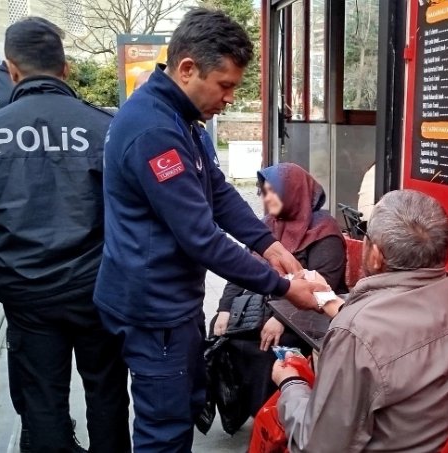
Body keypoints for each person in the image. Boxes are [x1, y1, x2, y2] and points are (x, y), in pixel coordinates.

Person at [96, 8, 326, 451]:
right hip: (152, 308)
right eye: (225, 86)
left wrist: (267, 243)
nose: (229, 98)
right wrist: (280, 286)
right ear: (187, 69)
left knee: (183, 404)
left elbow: (218, 192)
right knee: (164, 427)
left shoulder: (183, 119)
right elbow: (201, 238)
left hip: (172, 301)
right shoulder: (153, 130)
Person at [0, 17, 130, 453]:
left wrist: (4, 273)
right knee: (108, 392)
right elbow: (134, 214)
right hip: (98, 290)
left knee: (41, 400)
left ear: (11, 69)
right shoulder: (108, 129)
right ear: (65, 69)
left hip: (26, 295)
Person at [272, 190, 448, 452]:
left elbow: (318, 445)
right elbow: (398, 335)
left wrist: (290, 383)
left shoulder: (354, 335)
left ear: (375, 255)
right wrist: (330, 301)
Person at [212, 162, 347, 417]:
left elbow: (322, 284)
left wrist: (281, 319)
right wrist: (224, 308)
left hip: (309, 316)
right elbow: (241, 271)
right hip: (264, 305)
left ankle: (275, 414)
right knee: (221, 332)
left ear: (294, 191)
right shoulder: (267, 226)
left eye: (273, 191)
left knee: (271, 343)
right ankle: (248, 411)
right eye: (263, 191)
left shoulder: (323, 230)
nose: (266, 197)